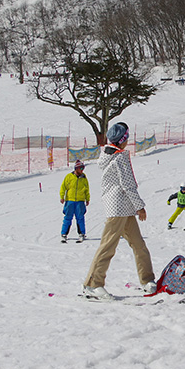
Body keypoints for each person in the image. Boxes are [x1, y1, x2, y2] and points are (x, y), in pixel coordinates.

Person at [82, 122, 155, 300]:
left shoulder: (108, 154)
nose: (127, 141)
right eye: (126, 138)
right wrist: (140, 206)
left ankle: (147, 280)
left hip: (125, 209)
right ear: (122, 140)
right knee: (107, 247)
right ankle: (93, 284)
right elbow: (127, 184)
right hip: (117, 208)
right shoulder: (120, 156)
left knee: (139, 246)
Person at [59, 160, 90, 243]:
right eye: (81, 168)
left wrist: (87, 199)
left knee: (80, 218)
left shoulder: (84, 178)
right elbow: (63, 187)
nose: (82, 170)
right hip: (70, 201)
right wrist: (62, 197)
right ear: (76, 168)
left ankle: (82, 233)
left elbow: (86, 189)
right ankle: (64, 233)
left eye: (83, 168)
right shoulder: (69, 177)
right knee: (68, 217)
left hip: (80, 201)